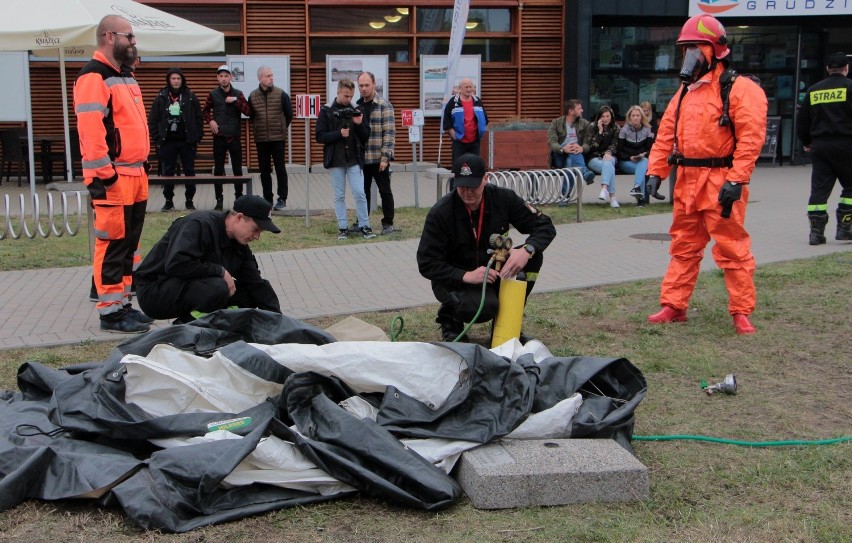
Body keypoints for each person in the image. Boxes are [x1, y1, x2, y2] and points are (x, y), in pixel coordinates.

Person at [645, 14, 767, 335]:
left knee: (732, 247)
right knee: (683, 245)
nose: (690, 59)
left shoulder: (740, 89)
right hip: (687, 180)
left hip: (721, 181)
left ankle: (741, 311)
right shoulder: (685, 92)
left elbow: (751, 139)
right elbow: (666, 133)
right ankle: (674, 305)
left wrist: (736, 179)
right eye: (686, 51)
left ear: (714, 52)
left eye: (696, 51)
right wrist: (655, 171)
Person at [417, 153, 556, 342]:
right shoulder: (440, 212)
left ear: (486, 178)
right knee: (484, 307)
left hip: (492, 272)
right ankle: (450, 317)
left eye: (473, 186)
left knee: (534, 257)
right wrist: (465, 276)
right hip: (455, 279)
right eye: (462, 186)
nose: (467, 193)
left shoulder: (503, 198)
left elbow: (545, 225)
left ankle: (506, 325)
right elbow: (426, 263)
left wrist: (527, 250)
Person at [74, 15, 153, 334]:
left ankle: (123, 304)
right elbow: (91, 136)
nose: (134, 42)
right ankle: (110, 311)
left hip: (134, 175)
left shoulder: (125, 76)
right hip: (113, 178)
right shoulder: (94, 77)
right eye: (129, 37)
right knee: (111, 244)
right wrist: (105, 178)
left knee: (129, 245)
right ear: (109, 36)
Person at [135, 195, 282, 324]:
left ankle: (219, 325)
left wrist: (278, 322)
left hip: (190, 287)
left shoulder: (239, 243)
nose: (256, 236)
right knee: (218, 288)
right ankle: (186, 326)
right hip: (154, 290)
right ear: (239, 218)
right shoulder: (199, 224)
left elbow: (255, 283)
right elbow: (176, 264)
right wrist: (220, 271)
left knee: (249, 295)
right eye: (255, 229)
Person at [795, 51, 852, 245]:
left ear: (828, 69)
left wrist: (807, 141)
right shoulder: (850, 87)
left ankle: (816, 233)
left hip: (820, 147)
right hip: (846, 145)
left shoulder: (814, 90)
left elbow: (802, 121)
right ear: (846, 68)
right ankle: (845, 228)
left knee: (819, 191)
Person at [315, 78, 375, 240]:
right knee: (339, 196)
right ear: (338, 92)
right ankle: (343, 227)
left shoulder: (356, 109)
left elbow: (365, 136)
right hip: (335, 160)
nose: (349, 100)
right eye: (346, 96)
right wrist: (338, 134)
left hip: (354, 159)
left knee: (360, 193)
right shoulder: (326, 110)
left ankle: (365, 225)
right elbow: (319, 136)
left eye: (351, 96)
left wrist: (360, 123)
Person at [148, 67, 204, 211]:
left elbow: (199, 118)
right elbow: (153, 120)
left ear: (182, 80)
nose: (176, 81)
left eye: (178, 78)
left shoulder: (190, 96)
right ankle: (168, 201)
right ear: (168, 80)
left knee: (189, 171)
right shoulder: (161, 96)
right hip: (168, 141)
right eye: (173, 78)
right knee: (168, 172)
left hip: (187, 141)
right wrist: (157, 138)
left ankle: (189, 201)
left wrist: (197, 137)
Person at [203, 65, 251, 211]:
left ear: (231, 77)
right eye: (221, 76)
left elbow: (248, 111)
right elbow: (205, 111)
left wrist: (236, 101)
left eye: (226, 76)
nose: (224, 79)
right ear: (218, 78)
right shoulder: (213, 94)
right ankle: (219, 200)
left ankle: (239, 199)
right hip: (219, 137)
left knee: (237, 170)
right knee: (218, 170)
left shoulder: (238, 93)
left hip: (234, 136)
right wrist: (210, 120)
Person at [357, 71, 396, 235]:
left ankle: (388, 222)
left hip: (379, 158)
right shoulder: (357, 106)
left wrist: (385, 157)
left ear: (374, 85)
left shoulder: (384, 105)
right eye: (361, 85)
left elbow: (389, 133)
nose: (364, 88)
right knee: (362, 192)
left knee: (385, 191)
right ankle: (363, 222)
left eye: (367, 85)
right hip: (362, 158)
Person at [248, 65, 293, 211]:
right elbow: (251, 116)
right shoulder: (253, 96)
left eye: (272, 75)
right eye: (268, 76)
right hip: (261, 138)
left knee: (280, 168)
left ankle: (282, 198)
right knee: (264, 170)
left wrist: (281, 128)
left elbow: (289, 114)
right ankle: (267, 199)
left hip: (278, 138)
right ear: (260, 78)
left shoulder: (281, 94)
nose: (271, 78)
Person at [547, 99, 596, 202]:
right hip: (559, 155)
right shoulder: (556, 123)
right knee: (573, 154)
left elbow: (589, 142)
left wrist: (582, 148)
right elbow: (552, 142)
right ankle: (584, 172)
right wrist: (563, 149)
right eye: (579, 108)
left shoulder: (584, 123)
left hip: (575, 155)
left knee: (572, 162)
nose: (582, 110)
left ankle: (563, 197)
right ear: (571, 111)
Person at [442, 78, 488, 163]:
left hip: (475, 140)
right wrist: (453, 134)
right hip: (459, 140)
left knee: (475, 165)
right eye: (466, 87)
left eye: (470, 87)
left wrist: (481, 130)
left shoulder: (477, 101)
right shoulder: (453, 102)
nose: (469, 89)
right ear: (460, 88)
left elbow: (485, 118)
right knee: (458, 165)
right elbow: (446, 120)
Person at [618, 105, 654, 207]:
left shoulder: (647, 130)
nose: (635, 117)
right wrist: (630, 157)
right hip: (626, 162)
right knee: (642, 168)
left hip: (641, 161)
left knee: (643, 163)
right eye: (633, 115)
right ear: (629, 117)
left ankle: (637, 187)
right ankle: (640, 198)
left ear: (641, 117)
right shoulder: (623, 130)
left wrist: (643, 154)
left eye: (637, 115)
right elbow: (619, 152)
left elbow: (650, 149)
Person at [585, 105, 620, 207]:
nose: (605, 119)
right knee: (610, 168)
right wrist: (600, 132)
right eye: (603, 116)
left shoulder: (615, 127)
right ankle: (612, 198)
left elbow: (615, 143)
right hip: (594, 157)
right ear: (599, 117)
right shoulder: (592, 127)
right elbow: (592, 147)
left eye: (607, 116)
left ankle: (604, 189)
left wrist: (609, 152)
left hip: (610, 156)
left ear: (611, 116)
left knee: (609, 162)